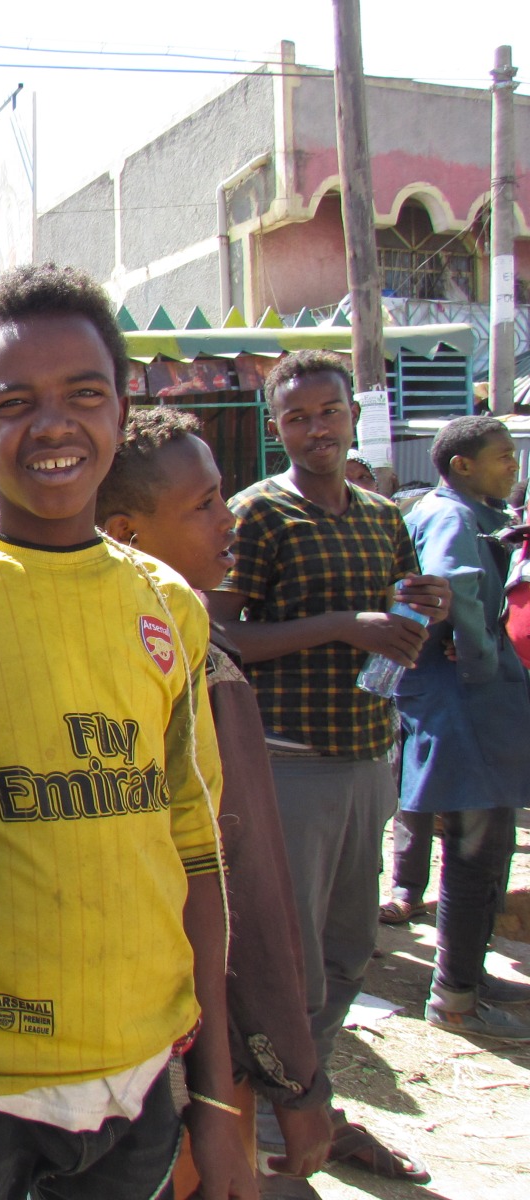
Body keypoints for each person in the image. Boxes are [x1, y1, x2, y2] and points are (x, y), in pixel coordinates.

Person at [0, 262, 252, 1200]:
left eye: (84, 394)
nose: (55, 424)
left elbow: (196, 849)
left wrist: (220, 1099)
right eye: (16, 401)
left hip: (147, 1071)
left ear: (120, 413)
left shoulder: (170, 608)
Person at [207, 349, 449, 1193]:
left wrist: (421, 610)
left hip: (366, 754)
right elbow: (220, 634)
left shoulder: (384, 516)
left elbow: (394, 620)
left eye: (329, 412)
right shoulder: (258, 516)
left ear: (353, 415)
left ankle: (309, 1101)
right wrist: (345, 623)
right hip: (286, 765)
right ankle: (280, 1118)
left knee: (350, 950)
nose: (316, 428)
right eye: (298, 416)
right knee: (290, 958)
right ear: (277, 427)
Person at [96, 408, 334, 1197]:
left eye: (221, 495)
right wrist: (296, 1082)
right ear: (127, 533)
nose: (229, 518)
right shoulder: (195, 665)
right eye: (204, 504)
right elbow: (247, 892)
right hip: (194, 1052)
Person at [391, 416, 530, 1039]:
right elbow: (456, 583)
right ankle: (455, 995)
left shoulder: (470, 511)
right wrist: (473, 651)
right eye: (503, 457)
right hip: (464, 708)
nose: (514, 467)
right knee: (474, 851)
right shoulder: (451, 515)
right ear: (463, 465)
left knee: (489, 846)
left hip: (468, 707)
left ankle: (470, 970)